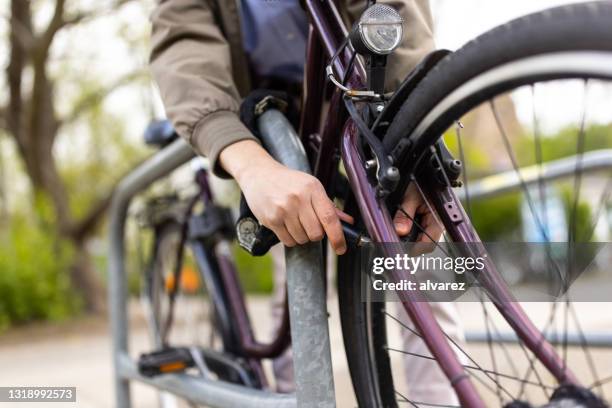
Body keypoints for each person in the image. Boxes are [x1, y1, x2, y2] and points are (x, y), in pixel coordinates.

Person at [151, 0, 464, 404]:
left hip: (363, 97)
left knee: (420, 259)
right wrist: (250, 164)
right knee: (295, 264)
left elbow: (394, 11)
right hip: (272, 119)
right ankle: (293, 393)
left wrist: (419, 136)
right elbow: (182, 37)